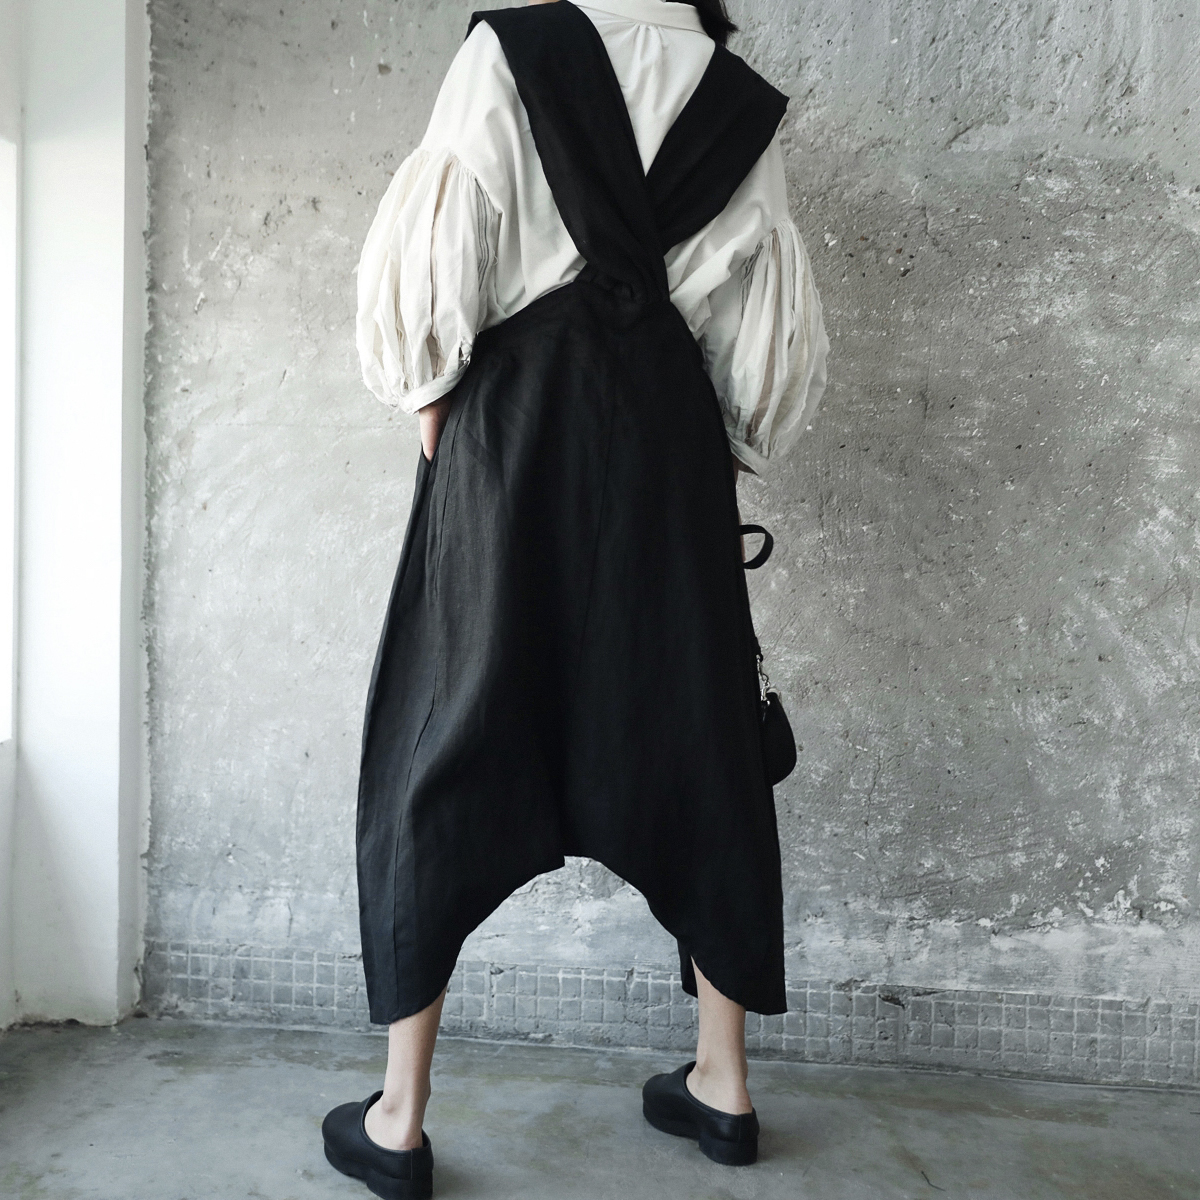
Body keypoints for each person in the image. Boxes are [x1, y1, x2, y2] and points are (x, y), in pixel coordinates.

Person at [322, 1, 829, 1195]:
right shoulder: (733, 98)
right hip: (672, 453)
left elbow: (441, 261)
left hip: (513, 437)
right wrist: (698, 462)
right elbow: (755, 338)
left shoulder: (513, 49)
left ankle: (400, 1115)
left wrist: (443, 419)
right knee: (700, 741)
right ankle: (724, 1085)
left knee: (444, 736)